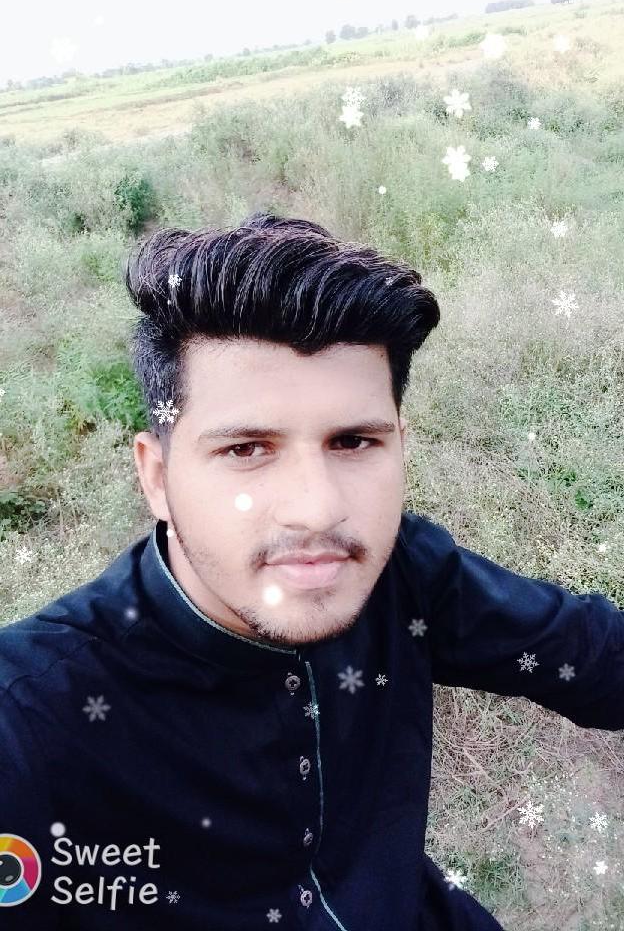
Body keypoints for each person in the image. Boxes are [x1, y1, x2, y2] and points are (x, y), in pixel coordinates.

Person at [1, 213, 622, 929]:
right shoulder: (31, 721)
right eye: (245, 450)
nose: (317, 510)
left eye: (353, 442)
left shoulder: (404, 573)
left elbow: (590, 652)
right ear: (158, 477)